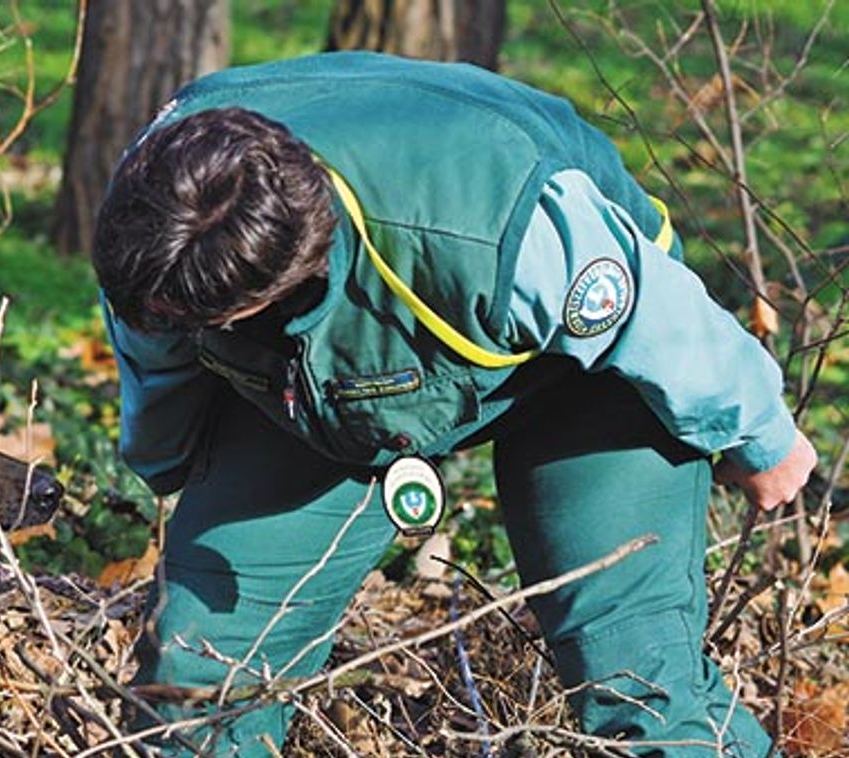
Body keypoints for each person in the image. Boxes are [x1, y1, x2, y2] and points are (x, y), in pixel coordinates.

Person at [91, 52, 816, 757]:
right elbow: (155, 367)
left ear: (274, 287)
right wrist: (169, 466)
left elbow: (654, 320)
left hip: (581, 376)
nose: (167, 326)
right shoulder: (159, 218)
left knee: (631, 680)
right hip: (314, 393)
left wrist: (759, 438)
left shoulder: (500, 220)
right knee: (194, 681)